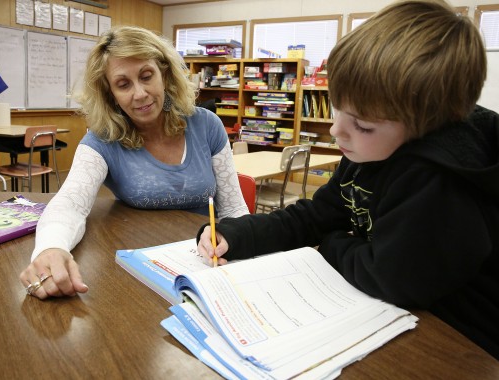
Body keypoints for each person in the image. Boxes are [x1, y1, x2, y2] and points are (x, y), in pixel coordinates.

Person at [198, 0, 499, 360]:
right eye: (337, 106)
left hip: (460, 340)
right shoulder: (370, 151)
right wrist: (239, 233)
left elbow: (390, 279)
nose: (335, 129)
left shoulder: (438, 181)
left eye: (363, 124)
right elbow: (316, 215)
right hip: (397, 313)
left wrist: (332, 243)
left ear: (426, 126)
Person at [21, 26, 249, 299]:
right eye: (123, 84)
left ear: (164, 73)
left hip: (205, 268)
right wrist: (51, 248)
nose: (140, 93)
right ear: (110, 94)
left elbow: (234, 208)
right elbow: (70, 203)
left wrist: (237, 240)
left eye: (146, 76)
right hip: (138, 272)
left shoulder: (206, 125)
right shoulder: (103, 139)